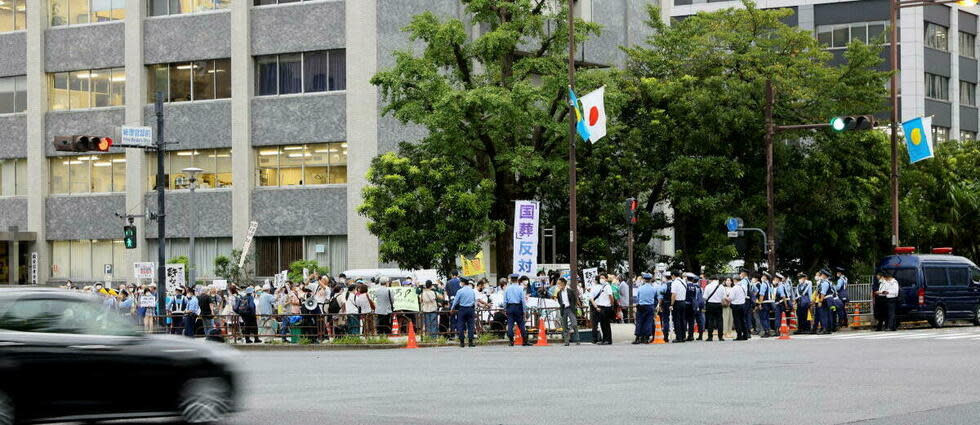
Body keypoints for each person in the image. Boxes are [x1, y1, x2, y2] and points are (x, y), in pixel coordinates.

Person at [504, 274, 530, 346]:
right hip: (518, 307)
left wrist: (505, 308)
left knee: (510, 324)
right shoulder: (520, 288)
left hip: (510, 307)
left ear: (511, 280)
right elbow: (523, 300)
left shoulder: (507, 288)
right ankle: (525, 341)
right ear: (517, 280)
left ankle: (511, 341)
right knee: (521, 324)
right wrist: (524, 310)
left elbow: (505, 300)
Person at [553, 277, 580, 346]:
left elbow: (574, 300)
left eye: (559, 283)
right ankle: (566, 341)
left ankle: (577, 339)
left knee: (574, 324)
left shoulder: (570, 291)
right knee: (564, 326)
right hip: (563, 309)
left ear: (563, 284)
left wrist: (574, 307)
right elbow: (559, 301)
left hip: (570, 309)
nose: (558, 285)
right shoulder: (559, 293)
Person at [451, 278, 477, 347]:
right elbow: (474, 300)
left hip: (462, 309)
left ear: (462, 283)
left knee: (461, 325)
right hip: (471, 309)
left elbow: (455, 301)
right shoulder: (472, 291)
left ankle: (462, 342)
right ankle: (470, 342)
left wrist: (452, 308)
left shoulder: (460, 291)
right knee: (471, 326)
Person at [591, 274, 615, 345]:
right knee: (602, 324)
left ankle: (608, 339)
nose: (601, 279)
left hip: (606, 307)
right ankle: (604, 339)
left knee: (606, 324)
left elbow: (611, 296)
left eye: (603, 278)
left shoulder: (608, 286)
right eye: (600, 278)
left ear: (606, 279)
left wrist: (611, 305)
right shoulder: (602, 286)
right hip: (601, 307)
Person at [633, 273, 657, 344]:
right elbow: (655, 298)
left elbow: (637, 298)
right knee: (648, 322)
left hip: (641, 306)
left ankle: (637, 337)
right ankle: (646, 338)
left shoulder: (640, 288)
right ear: (650, 280)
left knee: (639, 322)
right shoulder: (653, 289)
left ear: (644, 279)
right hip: (650, 306)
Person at [703, 277, 726, 341]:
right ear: (717, 279)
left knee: (710, 320)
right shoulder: (721, 287)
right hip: (718, 304)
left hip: (710, 304)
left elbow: (704, 297)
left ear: (710, 280)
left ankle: (710, 337)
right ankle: (720, 337)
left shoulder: (708, 286)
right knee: (720, 320)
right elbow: (724, 297)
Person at [684, 273, 704, 341]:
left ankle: (686, 335)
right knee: (697, 321)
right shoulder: (699, 288)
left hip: (690, 305)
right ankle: (699, 335)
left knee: (686, 320)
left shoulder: (686, 286)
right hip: (698, 305)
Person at [669, 270, 688, 343]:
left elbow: (673, 295)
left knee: (677, 320)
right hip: (683, 302)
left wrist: (671, 304)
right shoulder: (684, 282)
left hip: (677, 303)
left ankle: (678, 337)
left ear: (673, 275)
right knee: (682, 320)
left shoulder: (675, 283)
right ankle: (683, 336)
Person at [815, 269, 834, 335]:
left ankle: (825, 329)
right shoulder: (826, 282)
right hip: (827, 300)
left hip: (825, 299)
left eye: (821, 274)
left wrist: (820, 301)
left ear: (824, 275)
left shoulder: (825, 283)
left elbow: (823, 293)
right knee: (827, 314)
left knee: (823, 315)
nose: (820, 276)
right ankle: (828, 329)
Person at [729, 276, 748, 341]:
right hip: (743, 305)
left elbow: (731, 298)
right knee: (743, 320)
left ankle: (739, 335)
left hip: (736, 306)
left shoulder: (734, 288)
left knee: (737, 321)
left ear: (735, 280)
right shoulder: (743, 287)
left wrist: (726, 298)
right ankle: (745, 335)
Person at [757, 273, 775, 337]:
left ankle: (766, 332)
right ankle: (768, 331)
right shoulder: (770, 284)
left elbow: (762, 295)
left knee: (763, 318)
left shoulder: (764, 284)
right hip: (770, 303)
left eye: (763, 276)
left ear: (765, 278)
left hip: (764, 303)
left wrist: (760, 303)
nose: (762, 277)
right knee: (767, 318)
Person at [737, 269, 753, 337]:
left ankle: (746, 332)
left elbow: (744, 290)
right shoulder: (749, 281)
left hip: (745, 300)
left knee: (744, 317)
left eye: (740, 274)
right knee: (748, 316)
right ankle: (749, 331)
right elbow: (755, 290)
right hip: (749, 300)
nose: (740, 275)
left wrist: (742, 298)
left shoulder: (743, 281)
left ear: (743, 274)